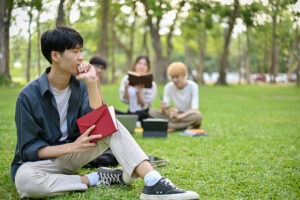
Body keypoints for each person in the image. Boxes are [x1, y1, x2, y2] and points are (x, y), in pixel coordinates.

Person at [11, 26, 199, 200]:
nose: (81, 57)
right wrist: (71, 147)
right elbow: (28, 149)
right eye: (75, 52)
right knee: (25, 182)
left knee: (110, 123)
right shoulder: (28, 96)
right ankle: (95, 178)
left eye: (81, 51)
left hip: (77, 153)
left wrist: (92, 83)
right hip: (44, 163)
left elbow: (99, 119)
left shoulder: (80, 86)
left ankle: (153, 182)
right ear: (56, 56)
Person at [149, 62, 202, 132]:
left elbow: (194, 109)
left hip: (187, 115)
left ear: (184, 75)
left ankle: (170, 126)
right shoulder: (168, 87)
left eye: (177, 77)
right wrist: (164, 108)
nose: (174, 80)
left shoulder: (193, 86)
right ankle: (181, 126)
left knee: (198, 117)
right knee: (151, 111)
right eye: (172, 77)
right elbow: (166, 108)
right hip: (174, 115)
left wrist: (180, 116)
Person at [119, 56, 157, 123]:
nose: (142, 66)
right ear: (135, 65)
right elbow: (124, 100)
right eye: (139, 63)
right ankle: (130, 120)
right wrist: (126, 88)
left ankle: (131, 121)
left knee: (141, 115)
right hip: (130, 111)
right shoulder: (126, 79)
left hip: (142, 113)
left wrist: (138, 94)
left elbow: (145, 106)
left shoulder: (151, 84)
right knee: (114, 113)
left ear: (148, 68)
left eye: (145, 64)